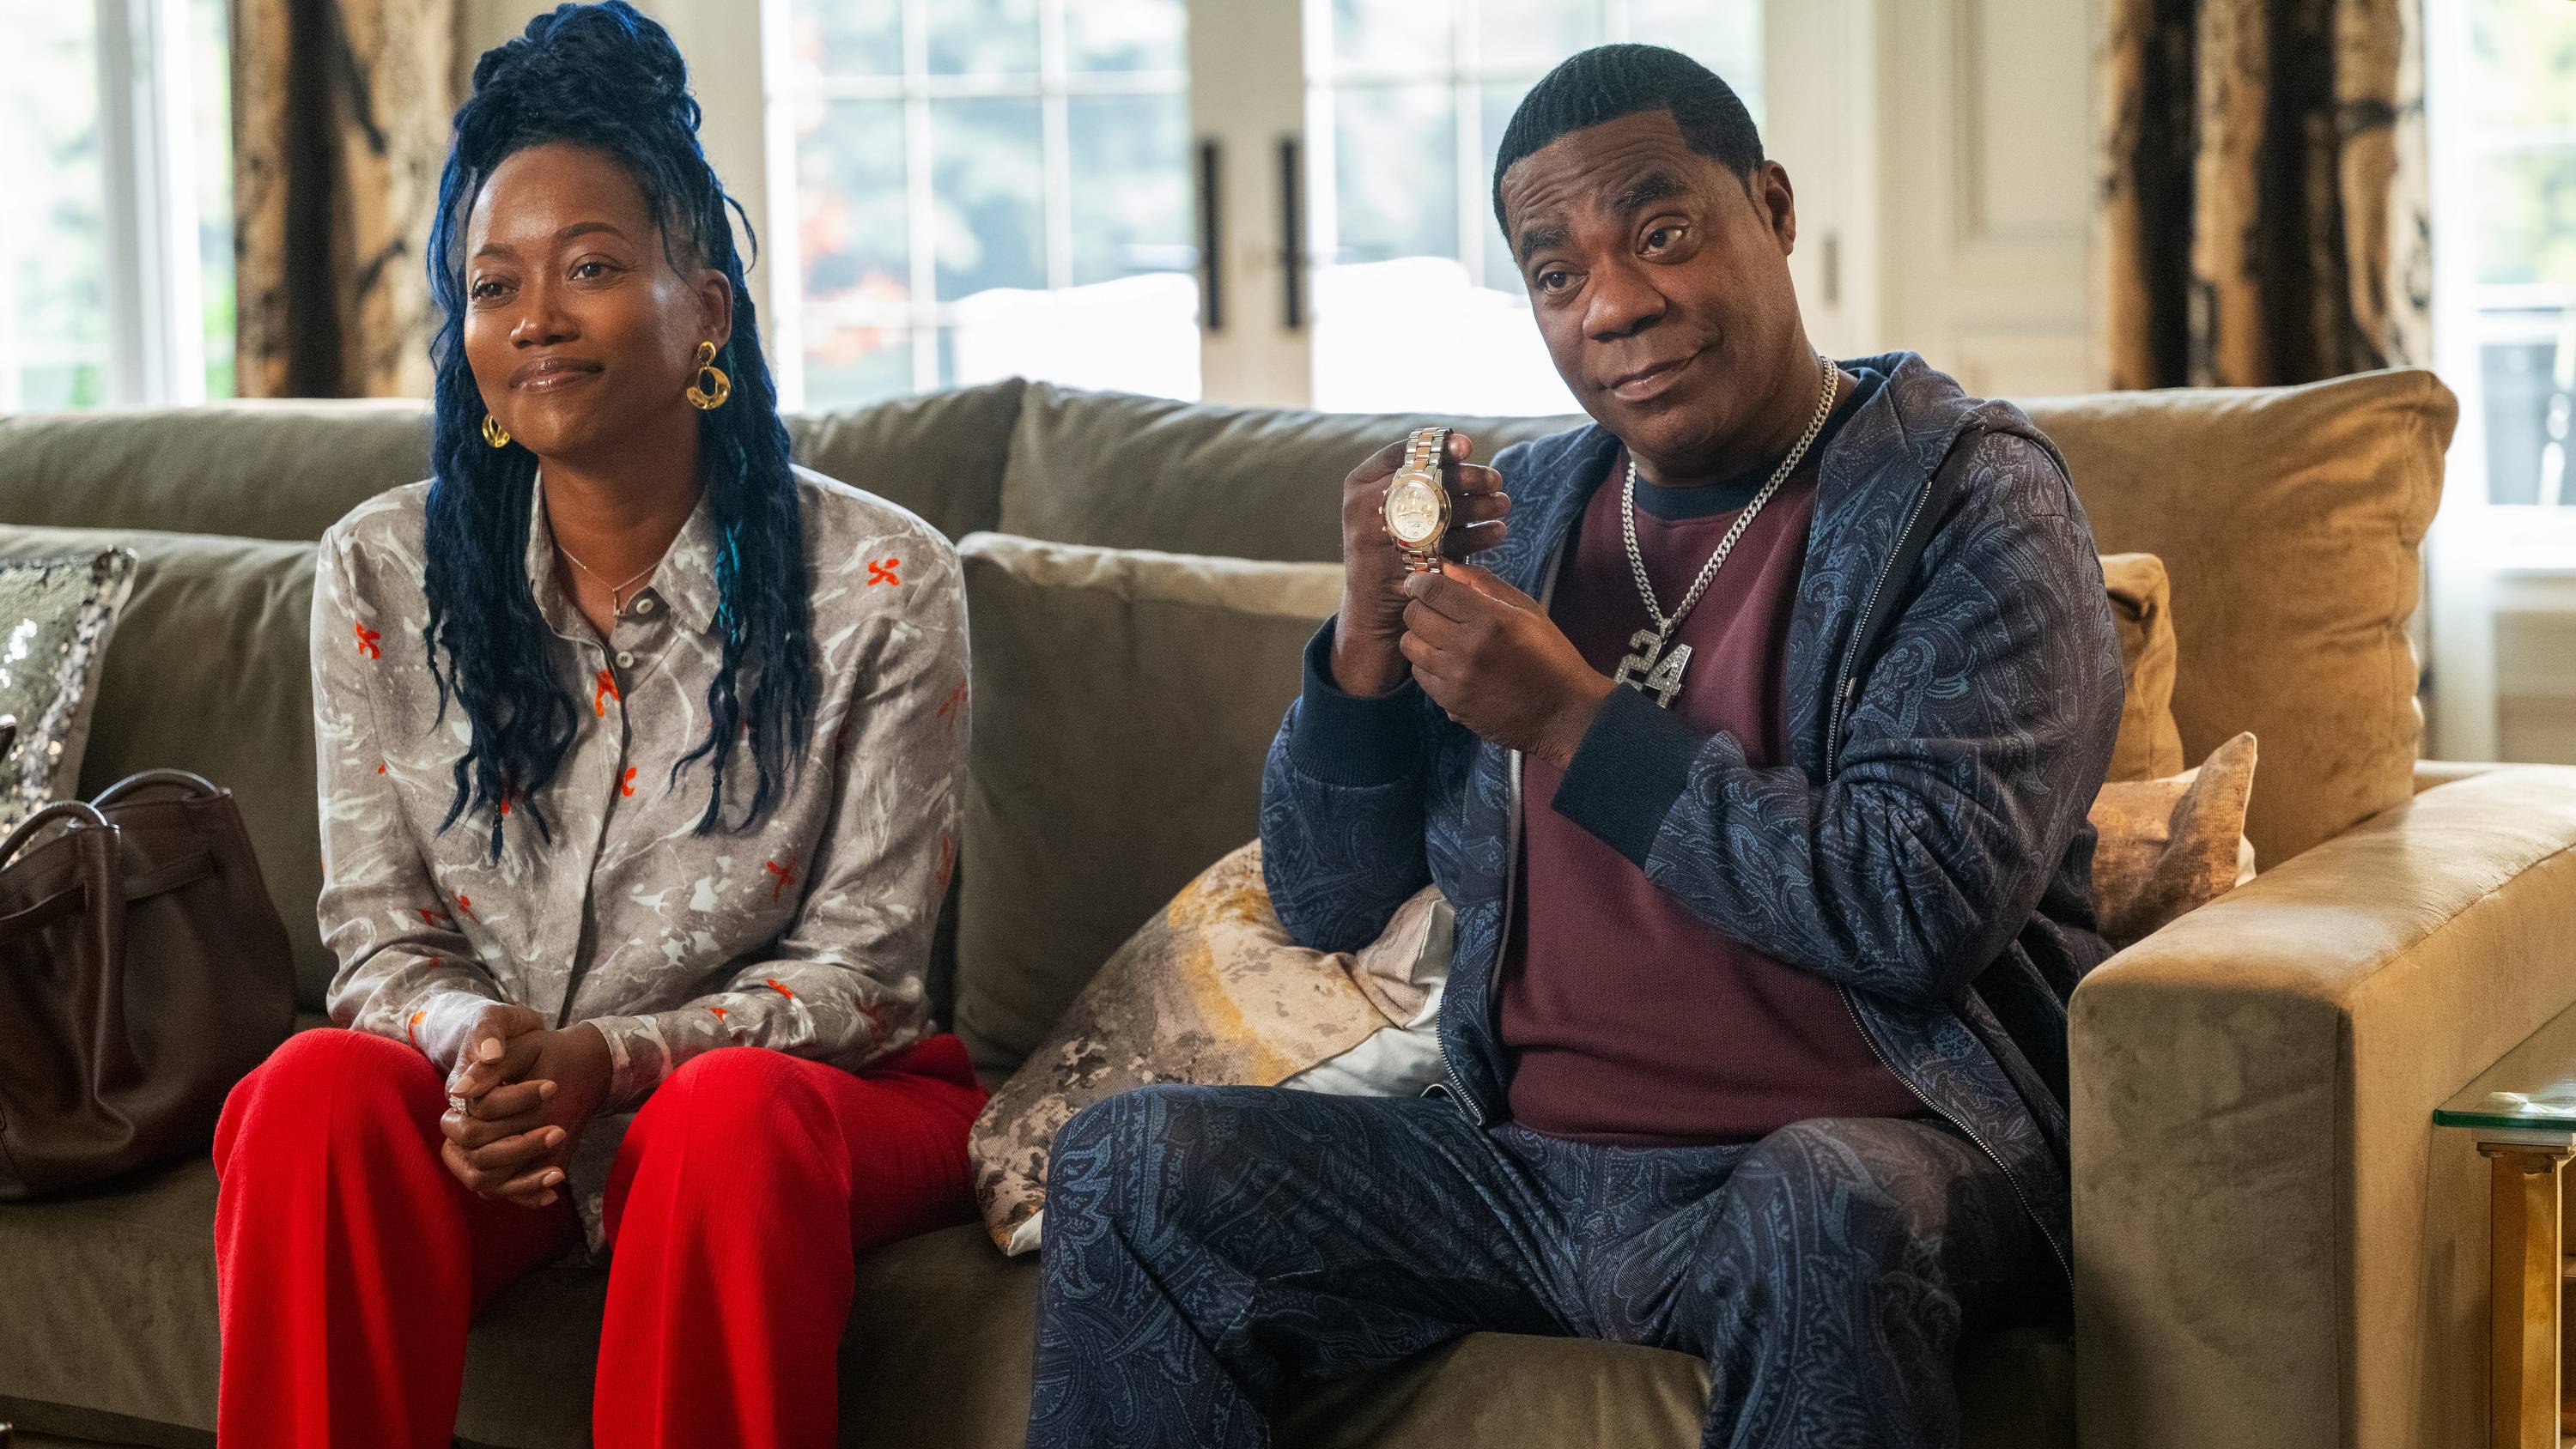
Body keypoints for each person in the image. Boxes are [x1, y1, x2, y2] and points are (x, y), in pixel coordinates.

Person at [1028, 43, 2123, 1449]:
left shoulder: (1969, 503)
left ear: (1773, 208)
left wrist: (1571, 721)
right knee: (1129, 1168)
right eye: (1557, 275)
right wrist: (1362, 649)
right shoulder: (1530, 519)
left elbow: (1915, 909)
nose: (1614, 305)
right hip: (1520, 1174)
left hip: (1857, 1153)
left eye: (1660, 234)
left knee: (1819, 1210)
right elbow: (1329, 899)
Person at [208, 7, 981, 1446]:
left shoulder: (883, 583)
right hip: (502, 1121)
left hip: (792, 1112)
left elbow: (867, 980)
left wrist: (616, 1061)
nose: (537, 318)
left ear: (708, 312)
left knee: (719, 1122)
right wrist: (479, 1052)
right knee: (311, 1089)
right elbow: (379, 941)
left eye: (594, 268)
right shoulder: (379, 573)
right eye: (494, 285)